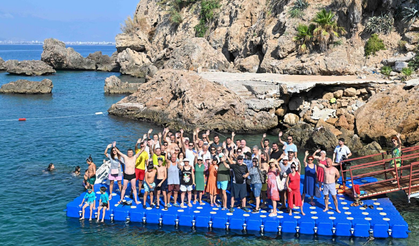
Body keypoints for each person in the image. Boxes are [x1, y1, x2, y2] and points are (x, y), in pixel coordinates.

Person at [115, 139, 144, 205]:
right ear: (127, 153)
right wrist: (114, 147)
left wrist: (143, 145)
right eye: (129, 153)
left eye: (131, 153)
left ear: (132, 153)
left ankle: (136, 200)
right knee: (124, 188)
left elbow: (141, 151)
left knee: (134, 188)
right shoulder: (125, 157)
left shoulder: (134, 157)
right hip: (126, 175)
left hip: (132, 175)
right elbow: (119, 153)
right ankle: (121, 199)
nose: (130, 154)